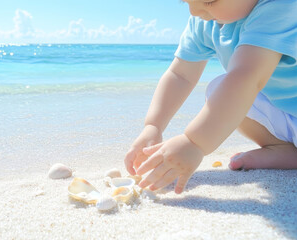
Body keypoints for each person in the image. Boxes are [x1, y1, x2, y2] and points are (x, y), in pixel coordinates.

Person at [124, 0, 297, 194]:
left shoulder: (282, 7)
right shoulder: (205, 21)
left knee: (237, 86)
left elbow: (247, 77)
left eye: (209, 1)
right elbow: (181, 74)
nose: (194, 11)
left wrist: (194, 143)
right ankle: (282, 148)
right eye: (185, 2)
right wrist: (153, 126)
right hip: (287, 113)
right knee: (219, 89)